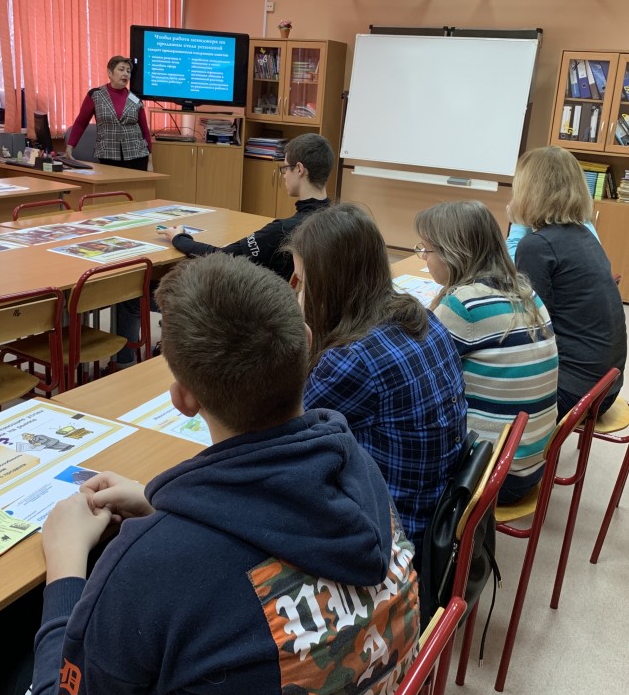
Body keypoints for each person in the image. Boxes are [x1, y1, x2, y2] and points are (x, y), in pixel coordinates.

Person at [0, 254, 419, 695]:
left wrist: (65, 566)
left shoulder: (150, 566)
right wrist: (163, 502)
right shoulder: (357, 469)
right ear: (305, 344)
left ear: (183, 398)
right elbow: (272, 526)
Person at [286, 202, 467, 561]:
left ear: (328, 286)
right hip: (437, 512)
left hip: (393, 534)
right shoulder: (423, 318)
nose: (298, 294)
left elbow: (283, 435)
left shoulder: (352, 359)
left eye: (303, 282)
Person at [115, 131, 334, 364]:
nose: (284, 176)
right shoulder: (335, 220)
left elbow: (221, 256)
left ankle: (125, 364)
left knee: (133, 297)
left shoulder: (283, 230)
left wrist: (179, 239)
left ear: (299, 169)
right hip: (293, 319)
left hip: (249, 311)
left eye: (285, 168)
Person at [414, 200, 559, 504]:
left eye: (427, 250)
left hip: (490, 476)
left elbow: (415, 375)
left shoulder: (463, 306)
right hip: (530, 462)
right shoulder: (525, 291)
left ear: (453, 254)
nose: (424, 258)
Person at [510, 146, 626, 421]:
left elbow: (531, 331)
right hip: (606, 387)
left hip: (574, 394)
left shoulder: (537, 245)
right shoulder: (584, 235)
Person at [67, 55, 152, 171]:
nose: (126, 74)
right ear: (110, 73)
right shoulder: (95, 95)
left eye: (128, 71)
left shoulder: (136, 100)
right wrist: (70, 147)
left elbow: (145, 131)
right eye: (121, 69)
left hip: (137, 156)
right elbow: (80, 123)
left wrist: (150, 161)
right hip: (108, 155)